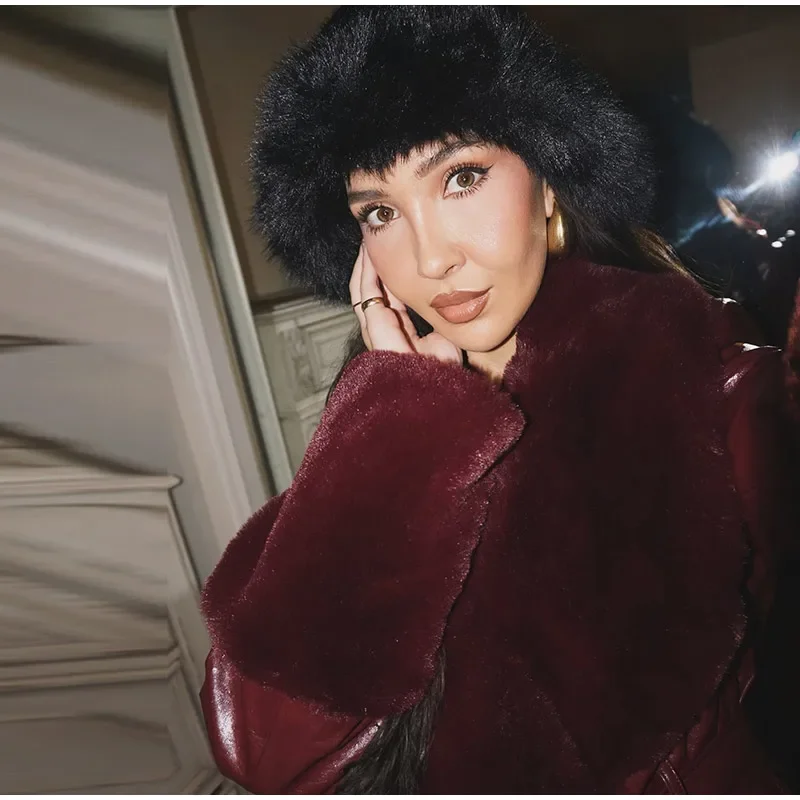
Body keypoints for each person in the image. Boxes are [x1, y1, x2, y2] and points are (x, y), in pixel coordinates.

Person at [199, 7, 797, 794]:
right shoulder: (380, 418)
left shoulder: (718, 394)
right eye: (380, 212)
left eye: (461, 178)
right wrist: (405, 432)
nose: (430, 258)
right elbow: (267, 757)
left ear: (548, 184)